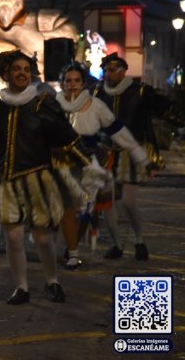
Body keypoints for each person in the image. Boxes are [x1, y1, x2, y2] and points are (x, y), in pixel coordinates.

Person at [0, 50, 104, 305]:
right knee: (13, 236)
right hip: (5, 179)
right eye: (17, 69)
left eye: (27, 69)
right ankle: (21, 287)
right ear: (6, 73)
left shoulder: (42, 105)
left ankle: (52, 280)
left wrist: (89, 164)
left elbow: (68, 140)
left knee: (42, 237)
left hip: (38, 179)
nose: (23, 73)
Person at [55, 63, 148, 269]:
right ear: (62, 83)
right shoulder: (54, 104)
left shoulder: (95, 105)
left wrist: (136, 151)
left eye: (76, 80)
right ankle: (68, 248)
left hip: (91, 163)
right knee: (64, 209)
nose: (72, 85)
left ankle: (73, 251)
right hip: (60, 162)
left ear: (83, 82)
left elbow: (117, 130)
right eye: (68, 81)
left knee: (84, 209)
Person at [92, 53, 171, 260]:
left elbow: (164, 110)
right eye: (106, 70)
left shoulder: (141, 91)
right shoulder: (98, 92)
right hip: (106, 151)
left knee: (127, 201)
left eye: (112, 70)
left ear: (123, 71)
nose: (107, 74)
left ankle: (139, 240)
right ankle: (117, 245)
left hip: (131, 151)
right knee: (107, 203)